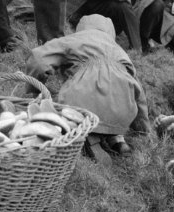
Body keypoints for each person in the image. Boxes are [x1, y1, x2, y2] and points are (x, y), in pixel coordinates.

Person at [27, 14, 151, 158]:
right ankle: (117, 141)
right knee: (114, 108)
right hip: (123, 109)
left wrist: (34, 89)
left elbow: (37, 59)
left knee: (78, 106)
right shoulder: (121, 51)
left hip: (84, 102)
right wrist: (142, 130)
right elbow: (139, 95)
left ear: (81, 28)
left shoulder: (73, 40)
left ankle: (89, 136)